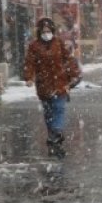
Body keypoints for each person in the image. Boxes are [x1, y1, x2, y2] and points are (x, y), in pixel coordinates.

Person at [23, 17, 81, 157]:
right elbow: (29, 63)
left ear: (53, 31)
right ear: (39, 32)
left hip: (60, 83)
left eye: (48, 31)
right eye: (44, 31)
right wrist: (29, 77)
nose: (46, 33)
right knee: (48, 113)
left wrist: (74, 74)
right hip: (44, 85)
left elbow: (68, 60)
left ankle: (55, 134)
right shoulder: (34, 46)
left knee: (59, 108)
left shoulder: (59, 43)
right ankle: (53, 138)